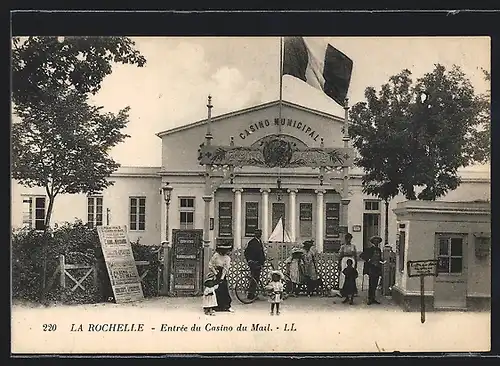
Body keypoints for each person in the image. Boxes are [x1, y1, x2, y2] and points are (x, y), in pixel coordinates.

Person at [208, 243, 234, 312]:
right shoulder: (216, 255)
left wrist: (222, 278)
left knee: (223, 288)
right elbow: (210, 265)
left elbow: (225, 269)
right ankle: (214, 306)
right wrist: (215, 273)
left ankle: (226, 306)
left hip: (222, 274)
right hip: (215, 273)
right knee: (214, 289)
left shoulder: (227, 258)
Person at [360, 236, 385, 305]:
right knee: (371, 284)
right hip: (371, 268)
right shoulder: (369, 249)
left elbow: (379, 258)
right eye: (375, 241)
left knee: (375, 283)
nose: (376, 243)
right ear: (373, 242)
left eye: (378, 241)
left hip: (377, 268)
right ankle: (370, 298)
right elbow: (362, 256)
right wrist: (368, 260)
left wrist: (382, 261)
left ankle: (373, 298)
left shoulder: (379, 250)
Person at [244, 228, 266, 300]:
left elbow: (261, 252)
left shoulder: (259, 241)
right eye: (257, 233)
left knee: (256, 278)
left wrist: (263, 260)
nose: (259, 235)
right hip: (254, 263)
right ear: (255, 234)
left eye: (260, 233)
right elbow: (246, 252)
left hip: (259, 263)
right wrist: (249, 260)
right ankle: (250, 295)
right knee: (254, 279)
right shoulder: (252, 242)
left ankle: (253, 293)